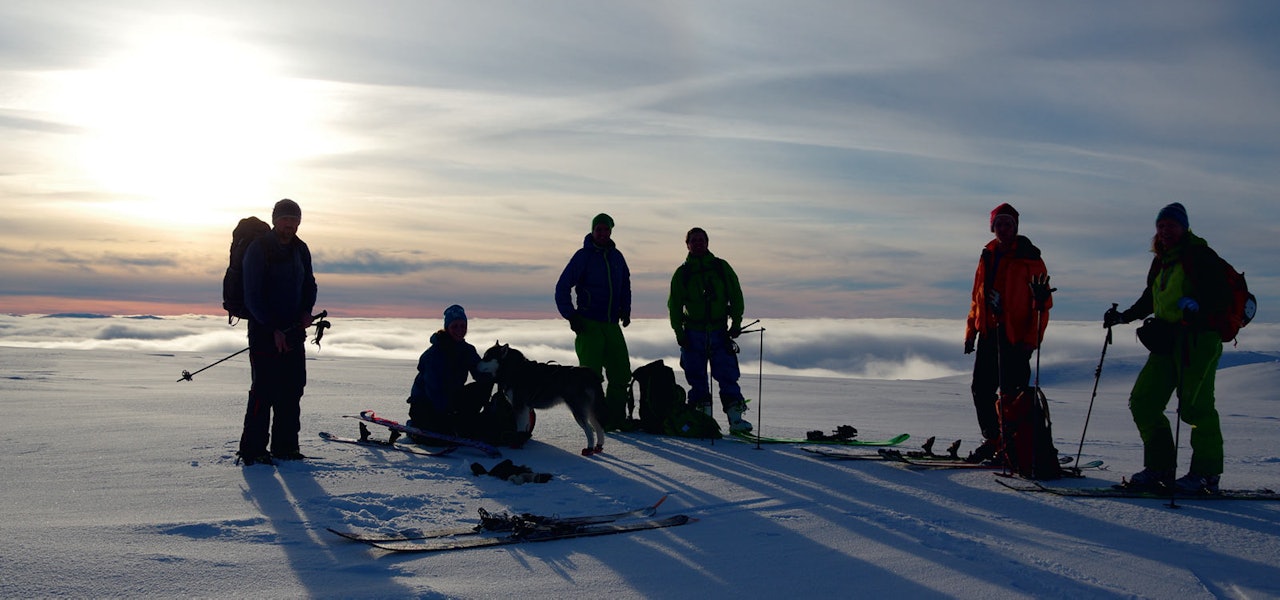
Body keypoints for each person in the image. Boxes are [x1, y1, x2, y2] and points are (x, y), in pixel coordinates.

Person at [1103, 203, 1227, 493]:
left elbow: (1221, 297)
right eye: (1161, 225)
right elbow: (1150, 297)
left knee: (1196, 409)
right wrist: (1123, 317)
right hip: (1167, 339)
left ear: (1184, 227)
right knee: (1144, 402)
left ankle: (1206, 473)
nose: (1164, 230)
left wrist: (1198, 309)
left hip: (1199, 340)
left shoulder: (1200, 256)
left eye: (1171, 224)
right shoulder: (1162, 260)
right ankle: (1160, 466)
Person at [963, 203, 1053, 463]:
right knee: (981, 389)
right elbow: (976, 298)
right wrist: (971, 331)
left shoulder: (1030, 259)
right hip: (989, 333)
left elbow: (1042, 305)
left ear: (1016, 227)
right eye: (999, 224)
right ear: (993, 227)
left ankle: (1014, 446)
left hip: (1015, 337)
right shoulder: (987, 256)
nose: (1003, 229)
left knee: (1012, 395)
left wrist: (1031, 340)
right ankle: (993, 439)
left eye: (1008, 224)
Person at [238, 198, 317, 466]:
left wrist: (307, 311)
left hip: (294, 330)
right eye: (285, 219)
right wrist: (272, 329)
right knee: (264, 390)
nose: (290, 224)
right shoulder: (258, 249)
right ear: (275, 220)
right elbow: (252, 295)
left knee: (292, 388)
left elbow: (309, 284)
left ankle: (286, 447)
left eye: (294, 220)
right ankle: (254, 450)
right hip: (264, 331)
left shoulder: (300, 249)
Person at [668, 227, 752, 432]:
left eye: (701, 240)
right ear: (687, 244)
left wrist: (737, 323)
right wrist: (679, 333)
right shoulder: (682, 273)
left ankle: (735, 420)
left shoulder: (721, 267)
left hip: (719, 331)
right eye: (693, 240)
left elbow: (736, 295)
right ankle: (703, 420)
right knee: (696, 377)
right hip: (693, 333)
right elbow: (675, 305)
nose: (697, 243)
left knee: (727, 374)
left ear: (707, 242)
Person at [555, 213, 632, 430]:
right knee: (590, 378)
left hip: (611, 324)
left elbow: (625, 286)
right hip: (588, 324)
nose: (602, 233)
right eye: (598, 229)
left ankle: (616, 419)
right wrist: (571, 315)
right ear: (592, 231)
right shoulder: (583, 256)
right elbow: (562, 287)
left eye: (605, 229)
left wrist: (625, 310)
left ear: (610, 231)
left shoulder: (617, 257)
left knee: (621, 373)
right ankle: (596, 421)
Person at [406, 305, 510, 444]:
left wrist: (497, 375)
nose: (460, 330)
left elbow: (479, 372)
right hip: (426, 405)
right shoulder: (435, 354)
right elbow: (433, 389)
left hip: (451, 401)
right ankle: (415, 428)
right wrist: (448, 415)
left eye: (463, 326)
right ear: (447, 327)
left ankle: (469, 420)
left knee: (484, 386)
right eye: (455, 326)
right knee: (439, 439)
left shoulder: (467, 350)